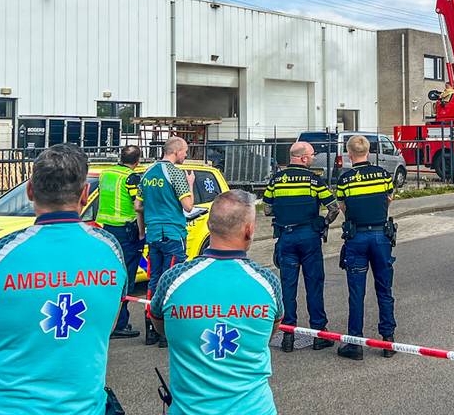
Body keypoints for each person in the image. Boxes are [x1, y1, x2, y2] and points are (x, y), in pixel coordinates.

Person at [0, 144, 127, 415]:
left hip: (2, 408)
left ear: (30, 190)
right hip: (81, 408)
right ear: (85, 194)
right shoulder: (110, 249)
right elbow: (107, 323)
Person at [151, 190, 281, 415]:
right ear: (249, 230)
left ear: (209, 224)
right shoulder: (268, 283)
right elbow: (270, 331)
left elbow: (160, 326)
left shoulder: (173, 280)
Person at [263, 141, 338, 352]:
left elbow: (267, 209)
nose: (313, 158)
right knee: (314, 284)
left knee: (288, 286)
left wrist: (284, 212)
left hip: (285, 237)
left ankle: (288, 336)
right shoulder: (314, 180)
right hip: (309, 237)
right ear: (303, 158)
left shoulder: (276, 180)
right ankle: (319, 333)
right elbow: (333, 208)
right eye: (312, 155)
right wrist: (323, 223)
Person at [334, 135, 397, 360]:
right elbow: (389, 199)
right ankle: (388, 340)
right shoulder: (383, 174)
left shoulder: (345, 179)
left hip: (357, 237)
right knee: (384, 289)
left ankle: (355, 343)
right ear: (368, 152)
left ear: (349, 154)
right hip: (381, 236)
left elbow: (342, 206)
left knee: (356, 292)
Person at [140, 136, 196, 346]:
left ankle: (150, 327)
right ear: (176, 151)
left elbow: (138, 205)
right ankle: (166, 330)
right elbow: (188, 206)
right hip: (173, 233)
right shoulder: (176, 173)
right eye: (185, 151)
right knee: (172, 280)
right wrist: (190, 185)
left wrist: (142, 230)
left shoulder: (147, 173)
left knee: (154, 279)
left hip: (154, 233)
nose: (185, 155)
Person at [97, 145, 145, 339]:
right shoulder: (131, 178)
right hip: (127, 231)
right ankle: (120, 324)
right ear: (137, 161)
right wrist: (141, 232)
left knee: (111, 275)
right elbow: (138, 206)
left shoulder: (106, 173)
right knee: (126, 278)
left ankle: (107, 320)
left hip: (107, 229)